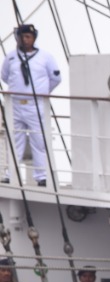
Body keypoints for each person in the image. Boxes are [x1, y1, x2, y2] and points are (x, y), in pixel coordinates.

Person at [1, 24, 61, 187]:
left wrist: (41, 92)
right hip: (15, 104)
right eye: (22, 37)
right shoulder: (11, 57)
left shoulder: (45, 57)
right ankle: (11, 174)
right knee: (14, 139)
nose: (25, 40)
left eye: (28, 36)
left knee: (38, 140)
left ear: (34, 38)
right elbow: (5, 76)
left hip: (35, 104)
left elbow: (55, 78)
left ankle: (41, 175)